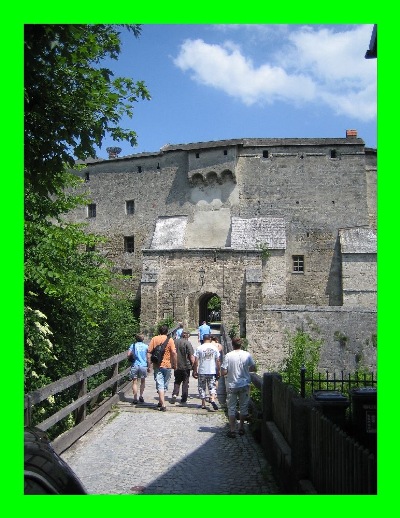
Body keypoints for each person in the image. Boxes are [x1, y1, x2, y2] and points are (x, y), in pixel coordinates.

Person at [221, 338, 256, 438]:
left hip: (232, 385)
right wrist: (246, 370)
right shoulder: (247, 355)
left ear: (232, 345)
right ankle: (241, 428)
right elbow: (253, 368)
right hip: (244, 384)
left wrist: (228, 372)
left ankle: (232, 430)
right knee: (243, 407)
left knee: (231, 408)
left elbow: (223, 371)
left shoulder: (228, 355)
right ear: (241, 345)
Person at [147, 324, 177, 412]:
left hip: (157, 365)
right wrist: (175, 364)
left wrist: (149, 365)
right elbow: (174, 353)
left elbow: (149, 353)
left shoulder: (154, 339)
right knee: (164, 385)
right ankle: (163, 404)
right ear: (167, 331)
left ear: (159, 331)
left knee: (160, 384)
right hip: (167, 365)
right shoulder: (170, 340)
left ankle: (161, 402)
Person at [192, 333, 220, 410]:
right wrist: (218, 370)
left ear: (203, 339)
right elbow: (218, 360)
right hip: (212, 370)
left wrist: (195, 370)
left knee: (202, 387)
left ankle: (203, 403)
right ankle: (213, 399)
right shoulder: (214, 348)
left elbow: (196, 361)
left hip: (202, 370)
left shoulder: (199, 348)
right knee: (212, 386)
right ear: (210, 339)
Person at [171, 331, 194, 404]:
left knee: (177, 380)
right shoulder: (187, 343)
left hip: (177, 365)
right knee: (185, 382)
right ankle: (184, 398)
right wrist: (193, 366)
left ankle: (174, 394)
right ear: (186, 336)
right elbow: (191, 356)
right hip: (186, 365)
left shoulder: (174, 341)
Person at [127, 334, 150, 404]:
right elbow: (148, 357)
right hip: (143, 365)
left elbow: (128, 354)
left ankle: (135, 398)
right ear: (143, 339)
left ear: (136, 339)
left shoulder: (133, 345)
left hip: (135, 364)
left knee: (134, 382)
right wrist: (149, 366)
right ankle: (141, 396)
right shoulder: (146, 346)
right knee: (143, 381)